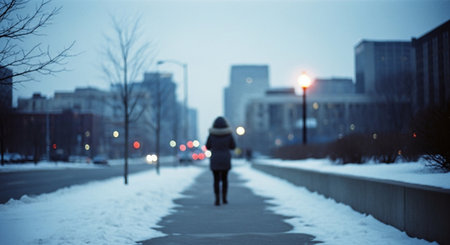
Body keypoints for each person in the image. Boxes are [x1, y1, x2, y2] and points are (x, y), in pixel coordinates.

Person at [206, 116, 236, 206]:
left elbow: (207, 146)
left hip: (215, 159)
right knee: (225, 179)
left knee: (216, 180)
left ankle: (217, 199)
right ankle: (224, 198)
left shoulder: (211, 134)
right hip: (225, 159)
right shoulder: (229, 134)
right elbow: (233, 146)